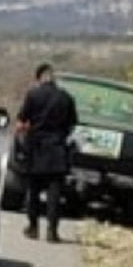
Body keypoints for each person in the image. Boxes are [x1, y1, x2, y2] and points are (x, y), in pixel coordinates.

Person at [16, 63, 78, 243]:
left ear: (39, 78)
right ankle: (52, 230)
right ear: (53, 77)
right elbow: (72, 124)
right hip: (57, 149)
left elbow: (22, 120)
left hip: (35, 147)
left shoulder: (33, 95)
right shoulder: (66, 98)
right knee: (55, 194)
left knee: (34, 190)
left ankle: (33, 226)